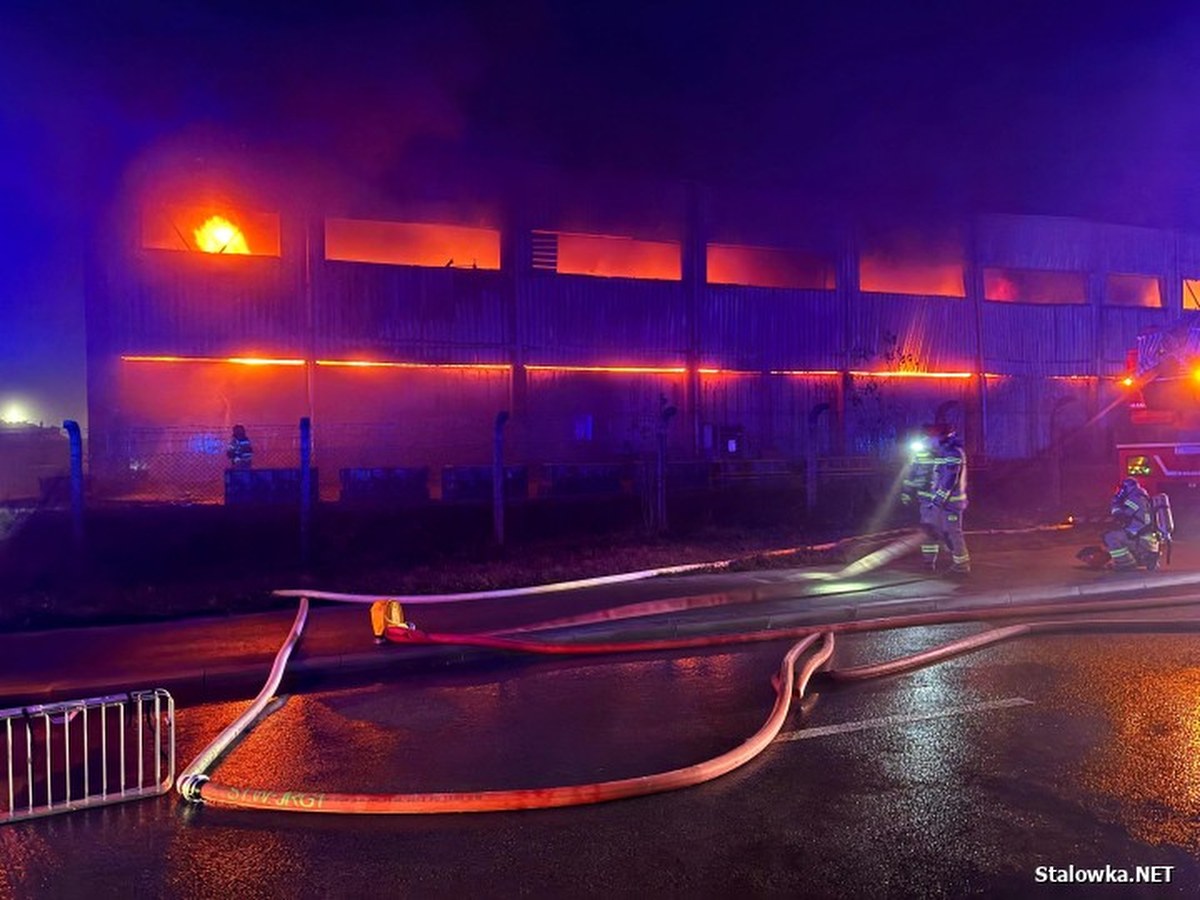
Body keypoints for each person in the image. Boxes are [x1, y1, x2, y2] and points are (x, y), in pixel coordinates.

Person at [928, 424, 971, 575]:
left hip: (952, 502)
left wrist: (939, 499)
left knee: (953, 532)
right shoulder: (945, 452)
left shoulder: (952, 452)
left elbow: (950, 478)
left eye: (934, 436)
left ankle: (961, 566)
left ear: (942, 437)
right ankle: (957, 561)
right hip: (948, 501)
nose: (931, 440)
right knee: (947, 531)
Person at [901, 425, 940, 570]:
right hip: (929, 497)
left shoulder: (942, 448)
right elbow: (912, 472)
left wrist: (907, 492)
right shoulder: (923, 449)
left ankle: (952, 562)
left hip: (939, 497)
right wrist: (907, 491)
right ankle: (929, 562)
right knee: (929, 528)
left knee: (940, 529)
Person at [1103, 477, 1158, 571]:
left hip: (1141, 538)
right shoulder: (1144, 497)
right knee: (1123, 534)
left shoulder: (1133, 499)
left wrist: (1116, 501)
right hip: (1150, 539)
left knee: (1110, 537)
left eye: (1123, 488)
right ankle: (1145, 558)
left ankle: (1125, 563)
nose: (1121, 490)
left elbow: (1119, 514)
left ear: (1128, 487)